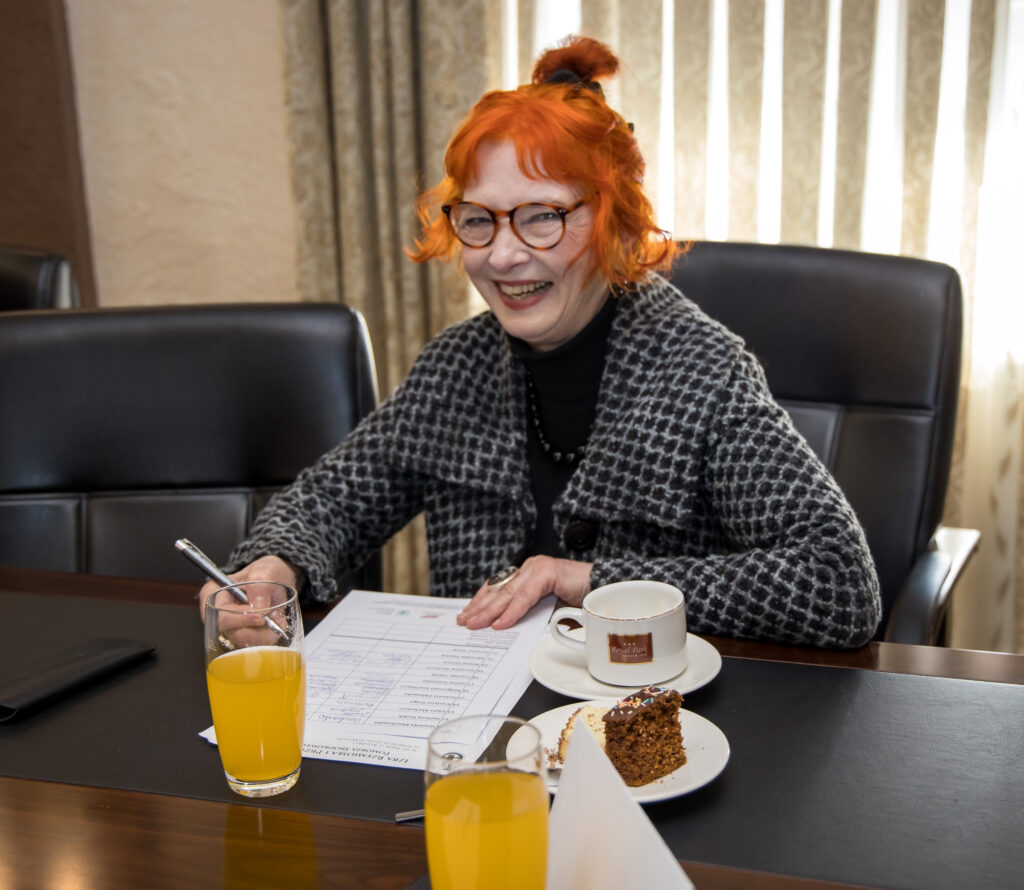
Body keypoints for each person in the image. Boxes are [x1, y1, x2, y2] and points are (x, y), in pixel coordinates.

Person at [200, 36, 881, 648]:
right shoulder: (457, 366)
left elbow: (839, 583)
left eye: (541, 217)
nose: (502, 256)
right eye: (478, 220)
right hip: (480, 726)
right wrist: (272, 566)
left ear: (615, 221)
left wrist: (592, 582)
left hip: (653, 720)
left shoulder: (701, 371)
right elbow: (334, 500)